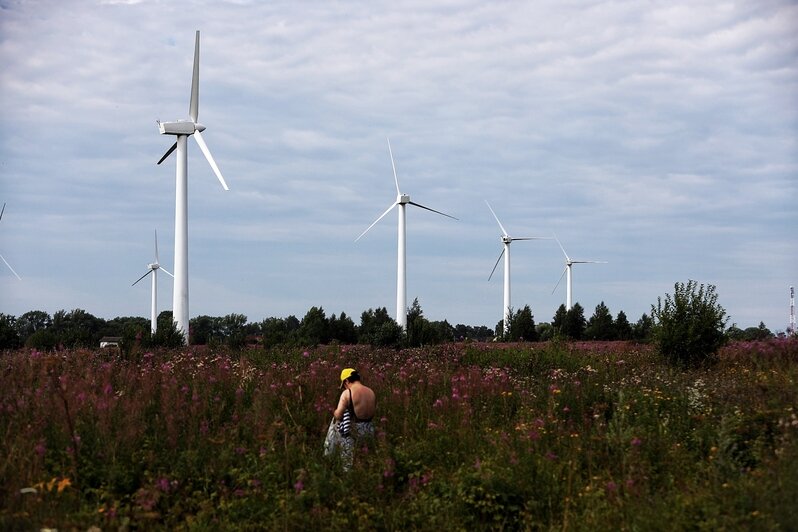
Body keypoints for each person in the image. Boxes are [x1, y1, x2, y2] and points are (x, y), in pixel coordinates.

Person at [325, 368, 376, 469]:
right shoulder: (371, 392)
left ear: (347, 381)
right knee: (366, 459)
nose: (344, 388)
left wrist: (334, 411)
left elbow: (338, 415)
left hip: (353, 432)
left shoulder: (347, 393)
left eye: (344, 385)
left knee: (335, 424)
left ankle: (329, 457)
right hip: (369, 430)